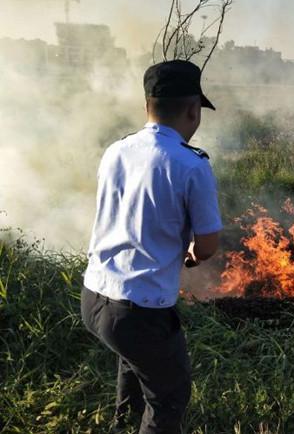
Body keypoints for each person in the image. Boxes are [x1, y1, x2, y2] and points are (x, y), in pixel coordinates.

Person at [80, 59, 222, 434]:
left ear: (148, 106)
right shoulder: (192, 165)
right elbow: (207, 245)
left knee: (134, 361)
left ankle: (123, 424)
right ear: (193, 110)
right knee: (170, 395)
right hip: (140, 312)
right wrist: (191, 255)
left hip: (94, 297)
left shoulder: (116, 150)